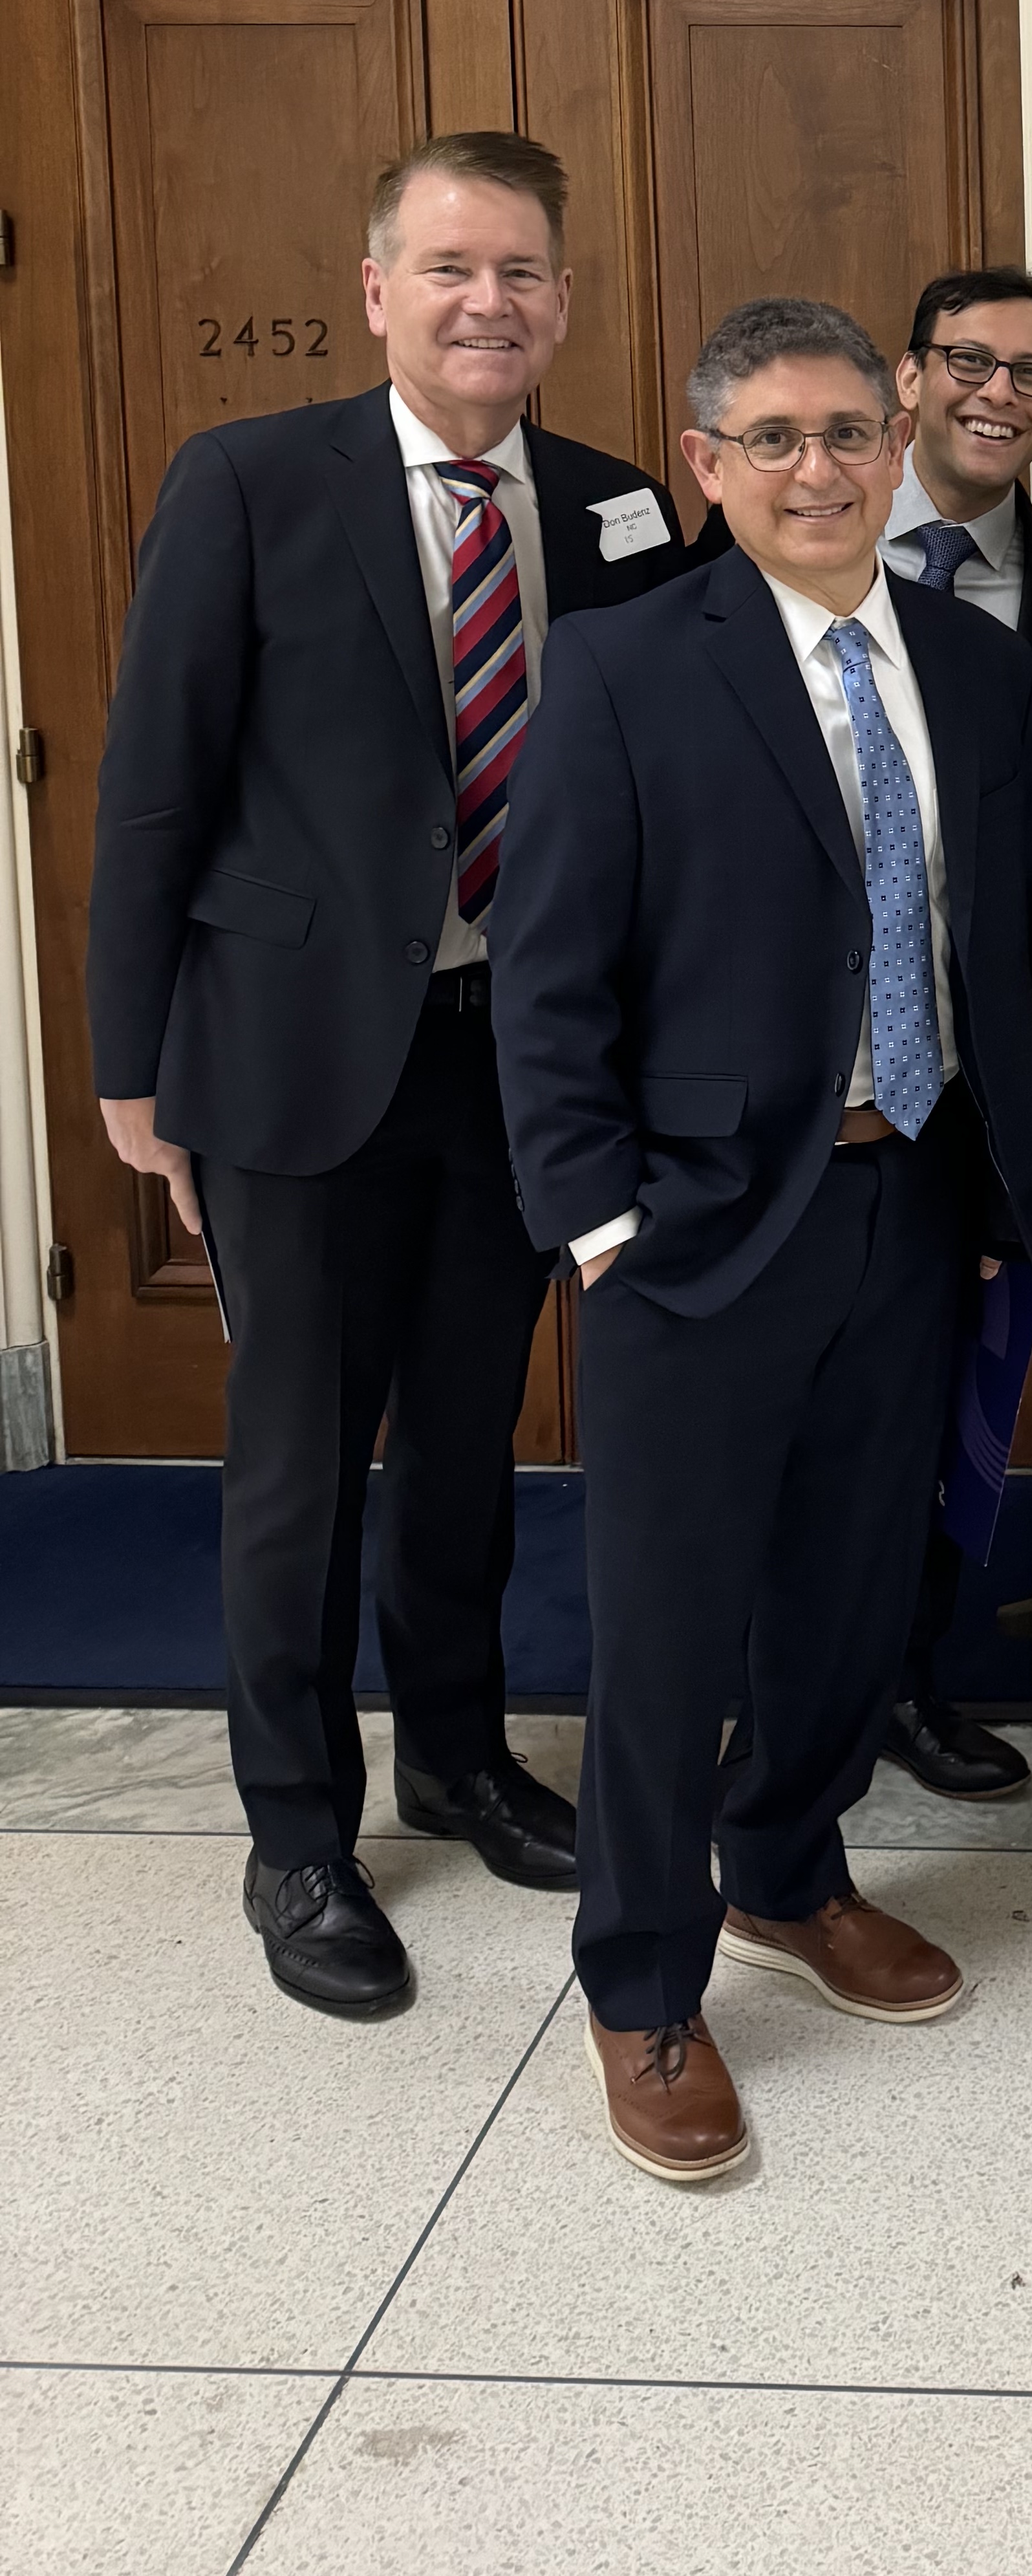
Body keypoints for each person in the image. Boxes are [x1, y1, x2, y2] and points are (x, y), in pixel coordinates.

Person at [490, 296, 1032, 2183]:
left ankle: (792, 1872)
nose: (818, 470)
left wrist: (998, 1193)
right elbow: (548, 972)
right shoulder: (623, 668)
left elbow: (1006, 953)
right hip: (690, 1227)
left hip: (908, 1199)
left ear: (896, 444)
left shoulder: (980, 676)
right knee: (669, 1631)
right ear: (708, 465)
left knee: (846, 1587)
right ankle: (643, 1985)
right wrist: (595, 1223)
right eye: (774, 439)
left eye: (847, 433)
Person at [87, 136, 683, 2019]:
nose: (485, 301)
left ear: (564, 298)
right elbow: (156, 788)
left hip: (515, 1065)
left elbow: (650, 805)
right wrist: (125, 1070)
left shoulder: (618, 513)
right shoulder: (251, 482)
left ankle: (457, 1754)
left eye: (519, 270)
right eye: (447, 269)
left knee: (468, 1437)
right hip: (288, 1064)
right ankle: (297, 1831)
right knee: (296, 1461)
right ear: (376, 291)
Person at [872, 266, 1032, 1804]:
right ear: (909, 377)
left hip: (989, 1075)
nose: (998, 395)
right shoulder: (775, 537)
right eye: (970, 361)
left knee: (960, 1377)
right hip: (801, 1070)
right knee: (810, 1386)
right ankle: (789, 1679)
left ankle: (910, 1676)